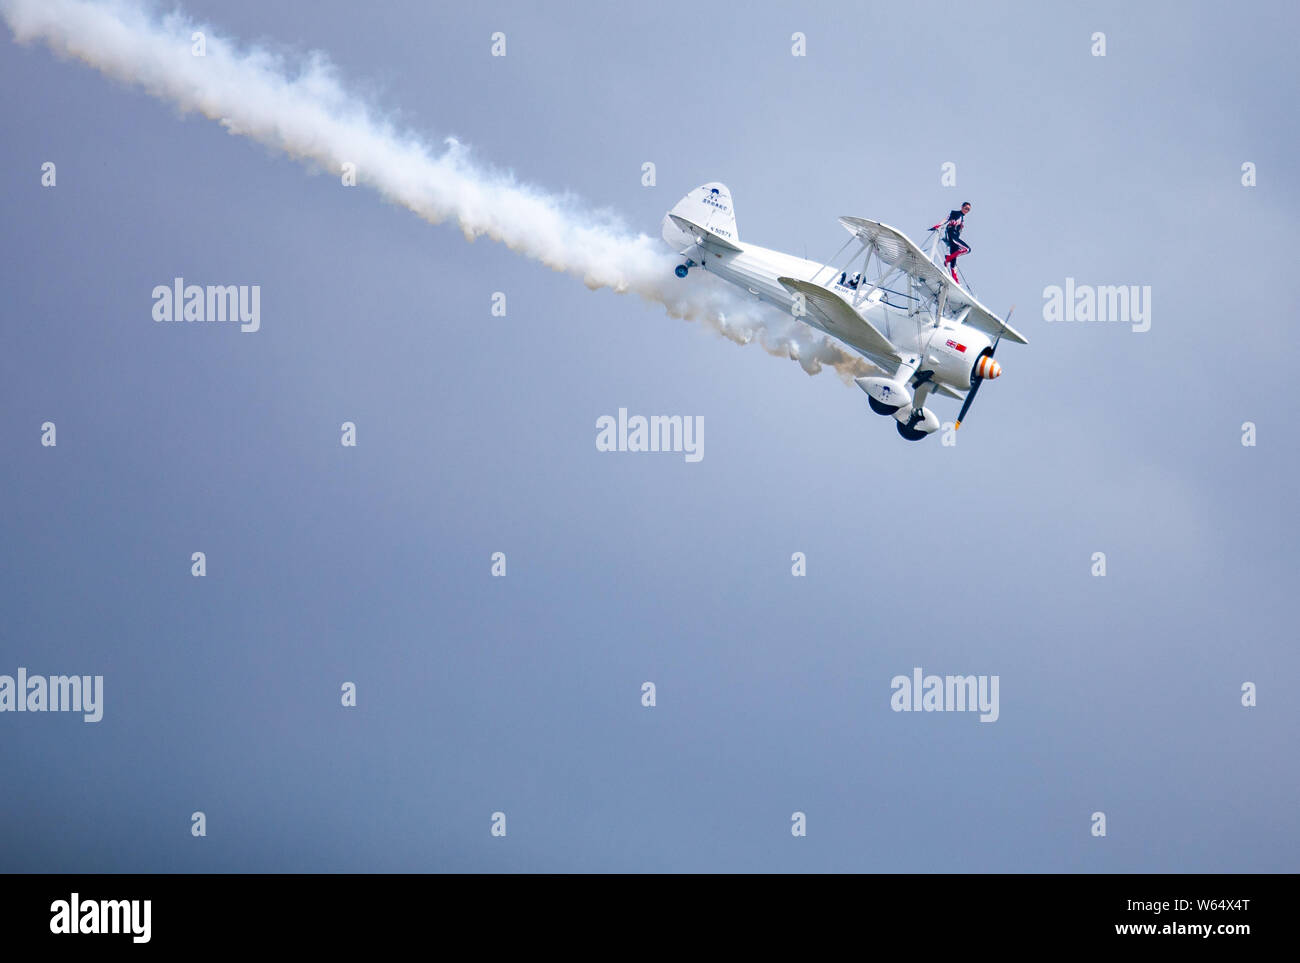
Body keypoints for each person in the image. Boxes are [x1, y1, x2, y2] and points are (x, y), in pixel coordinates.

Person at [931, 201, 972, 282]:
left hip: (955, 237)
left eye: (968, 210)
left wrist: (960, 228)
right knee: (967, 249)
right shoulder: (955, 213)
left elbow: (959, 231)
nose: (966, 211)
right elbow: (946, 219)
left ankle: (955, 280)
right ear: (962, 207)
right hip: (952, 236)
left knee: (954, 259)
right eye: (966, 208)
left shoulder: (962, 218)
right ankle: (948, 258)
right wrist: (937, 226)